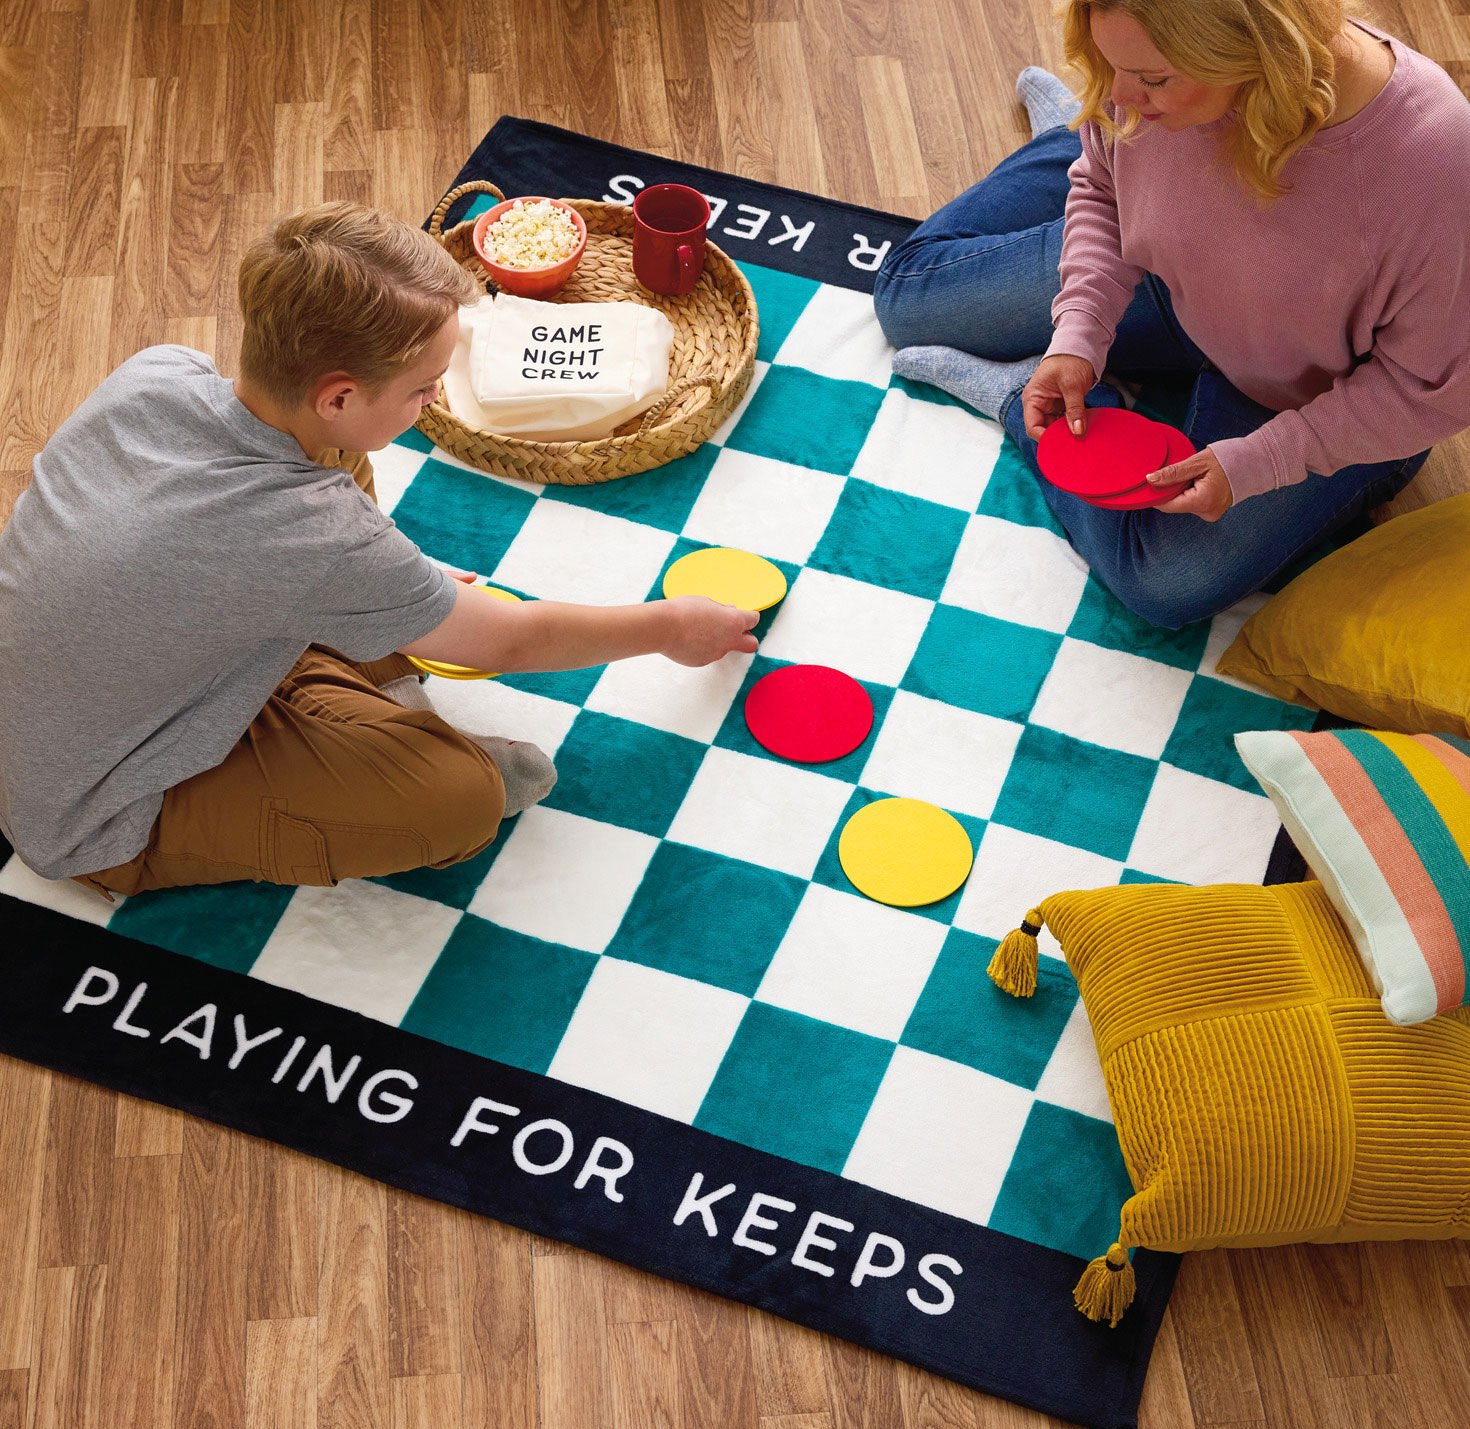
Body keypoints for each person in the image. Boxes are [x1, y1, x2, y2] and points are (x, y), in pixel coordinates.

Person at [0, 201, 757, 896]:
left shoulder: (159, 373)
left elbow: (249, 545)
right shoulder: (311, 533)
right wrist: (668, 626)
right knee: (462, 801)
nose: (434, 401)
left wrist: (395, 584)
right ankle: (370, 692)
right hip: (93, 816)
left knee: (337, 474)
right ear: (339, 395)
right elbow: (513, 642)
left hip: (74, 702)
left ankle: (364, 648)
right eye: (424, 388)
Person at [873, 0, 1470, 628]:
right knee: (907, 299)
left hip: (1312, 395)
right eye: (1109, 65)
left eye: (1152, 79)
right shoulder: (1142, 85)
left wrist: (1263, 461)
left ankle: (1009, 394)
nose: (1120, 96)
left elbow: (1425, 390)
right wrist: (1078, 330)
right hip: (1173, 278)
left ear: (1249, 49)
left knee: (1166, 583)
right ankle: (1063, 142)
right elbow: (1104, 190)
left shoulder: (1435, 161)